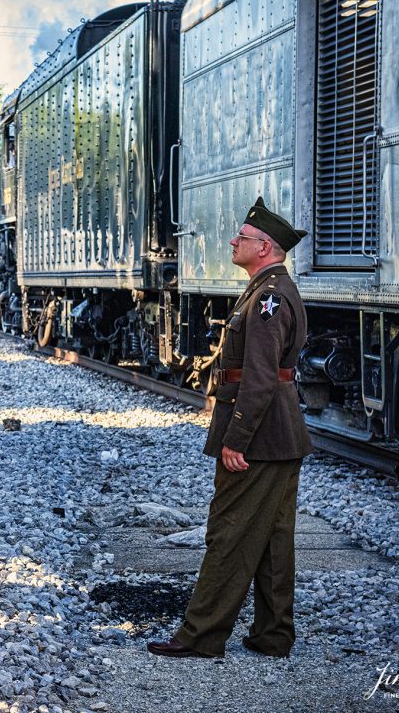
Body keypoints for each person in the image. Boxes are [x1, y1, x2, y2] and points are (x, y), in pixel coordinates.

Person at [148, 196, 311, 658]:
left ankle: (201, 635)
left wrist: (234, 440)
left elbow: (258, 379)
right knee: (274, 539)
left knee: (229, 533)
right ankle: (272, 634)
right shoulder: (268, 291)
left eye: (242, 237)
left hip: (258, 439)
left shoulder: (268, 298)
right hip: (281, 435)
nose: (234, 241)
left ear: (266, 248)